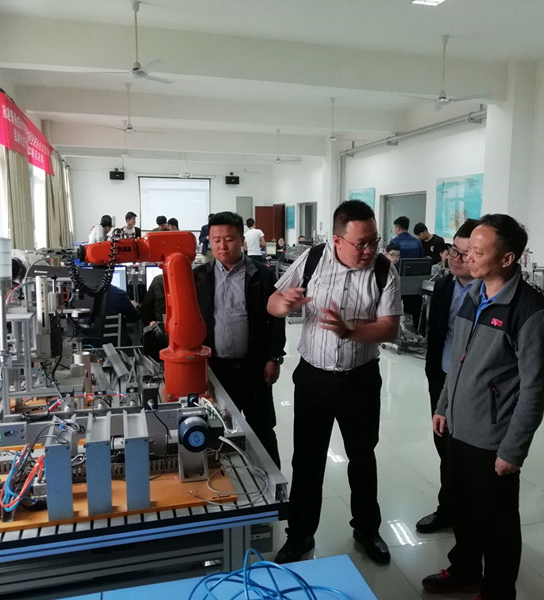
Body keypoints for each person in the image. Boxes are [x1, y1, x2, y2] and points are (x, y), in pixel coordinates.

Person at [422, 214, 544, 599]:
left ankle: (498, 590)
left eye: (479, 252)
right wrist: (444, 405)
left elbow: (535, 388)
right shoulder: (474, 295)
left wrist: (513, 449)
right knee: (462, 508)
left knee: (497, 522)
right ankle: (465, 569)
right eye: (467, 251)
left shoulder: (528, 311)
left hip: (493, 437)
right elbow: (458, 358)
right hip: (459, 426)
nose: (468, 258)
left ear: (507, 258)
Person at [268, 200, 401, 566]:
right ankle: (300, 535)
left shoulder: (383, 270)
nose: (370, 250)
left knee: (362, 456)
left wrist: (350, 331)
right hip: (314, 378)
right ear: (337, 240)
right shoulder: (313, 259)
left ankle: (367, 529)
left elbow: (389, 328)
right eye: (361, 243)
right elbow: (273, 302)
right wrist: (283, 304)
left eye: (374, 241)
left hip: (360, 379)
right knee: (307, 460)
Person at [193, 212, 286, 467]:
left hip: (254, 367)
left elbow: (276, 320)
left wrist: (274, 358)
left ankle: (272, 482)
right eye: (216, 240)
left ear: (242, 240)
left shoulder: (262, 275)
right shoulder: (199, 277)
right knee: (216, 431)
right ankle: (226, 483)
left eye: (229, 239)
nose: (222, 246)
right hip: (215, 370)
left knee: (262, 430)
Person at [415, 218, 478, 535]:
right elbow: (436, 334)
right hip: (442, 377)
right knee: (444, 446)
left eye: (465, 254)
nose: (456, 258)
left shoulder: (489, 293)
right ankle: (449, 509)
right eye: (453, 250)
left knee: (471, 453)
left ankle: (472, 515)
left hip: (475, 385)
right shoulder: (443, 286)